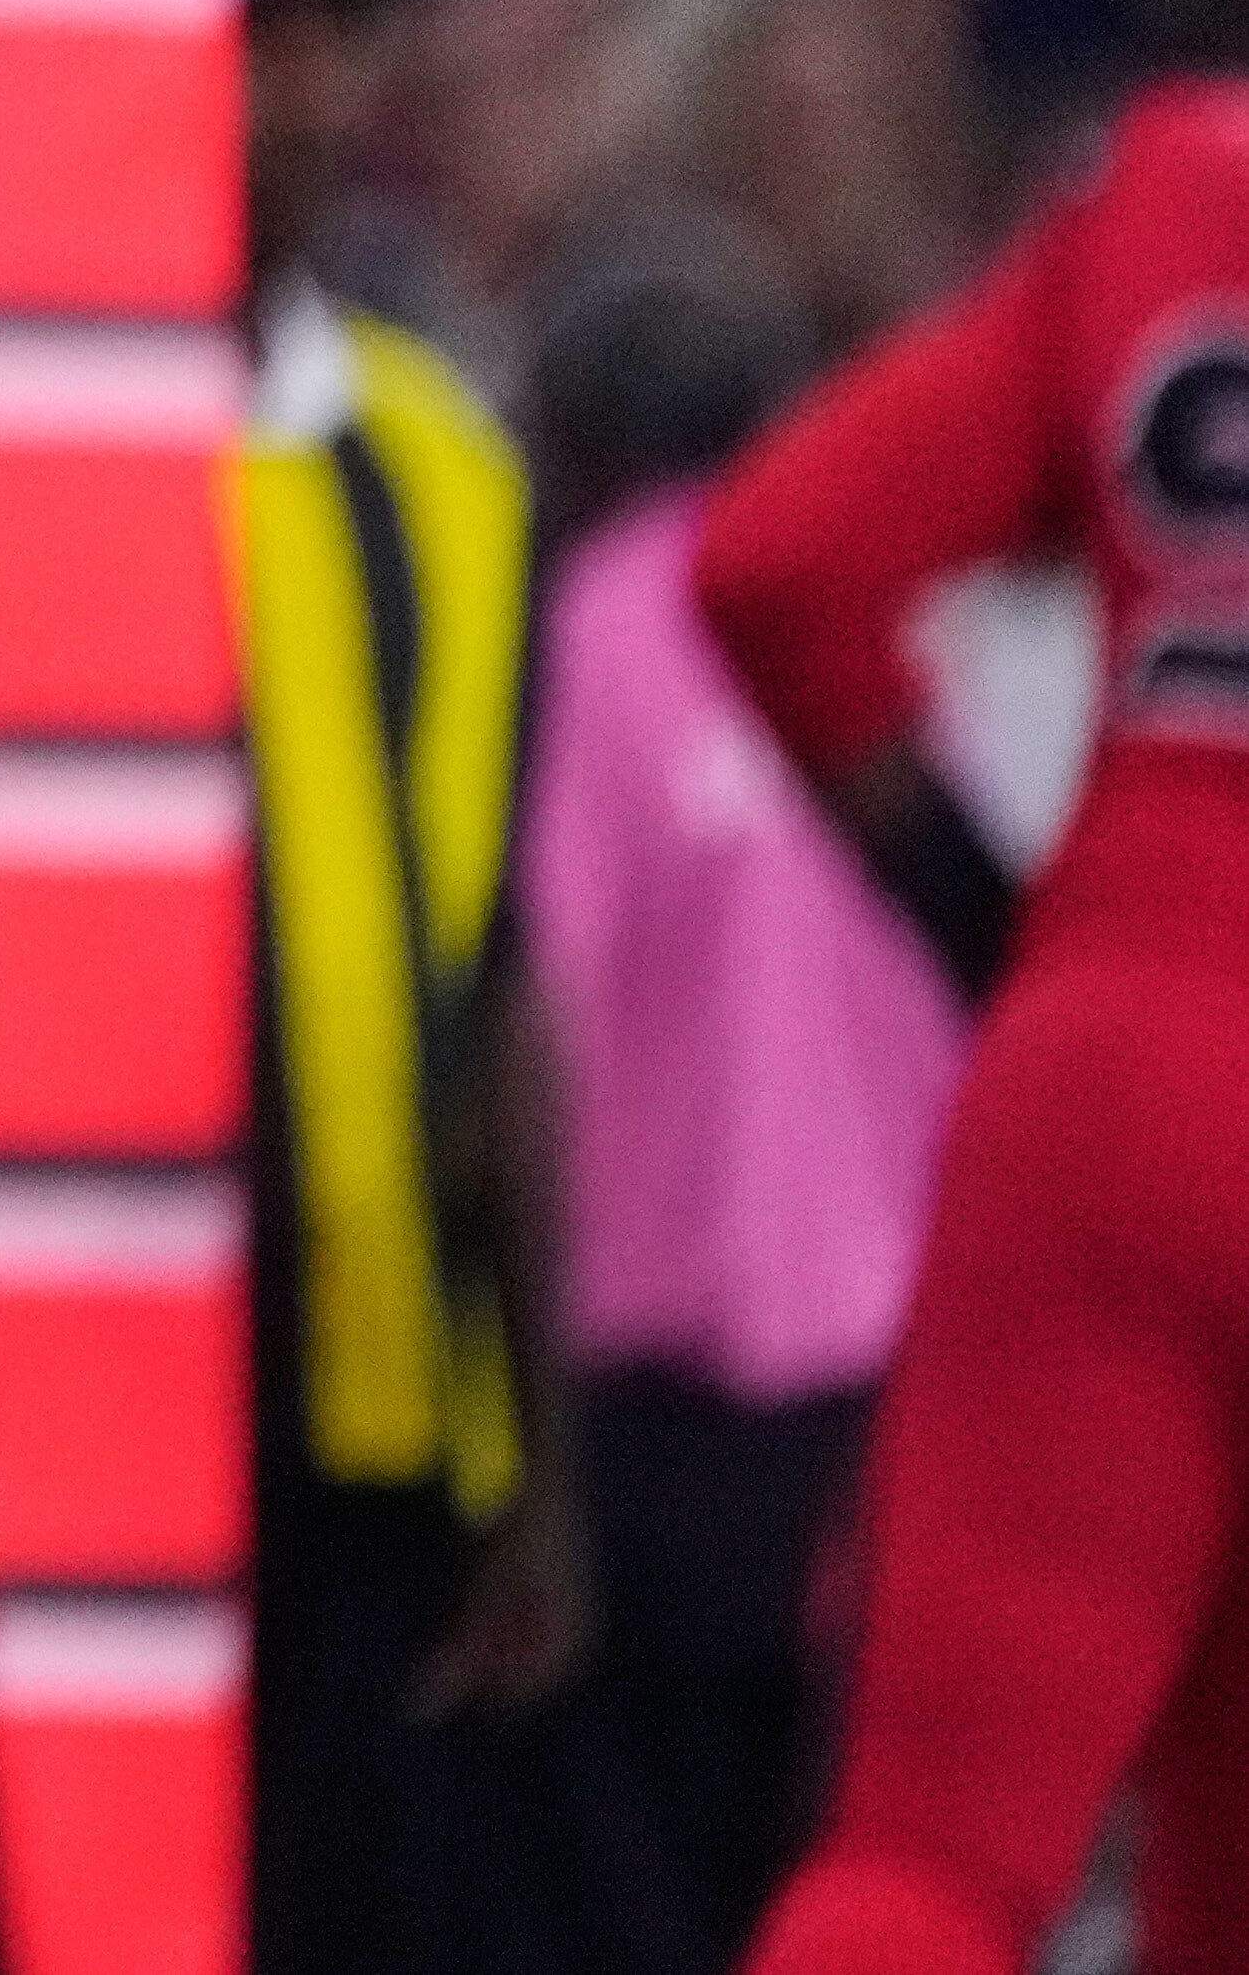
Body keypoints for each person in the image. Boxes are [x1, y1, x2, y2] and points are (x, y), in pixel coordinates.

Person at [698, 75, 1249, 1975]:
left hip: (1123, 1041)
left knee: (932, 1865)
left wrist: (993, 921)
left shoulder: (1177, 183)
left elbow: (780, 560)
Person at [506, 225, 963, 1975]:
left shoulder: (567, 652)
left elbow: (527, 1019)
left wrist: (525, 1466)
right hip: (895, 1410)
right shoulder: (863, 635)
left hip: (657, 1435)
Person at [225, 0, 589, 1975]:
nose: (294, 88)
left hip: (365, 1400)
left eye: (326, 27)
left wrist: (534, 1442)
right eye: (247, 29)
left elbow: (496, 962)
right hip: (47, 1402)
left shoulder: (444, 458)